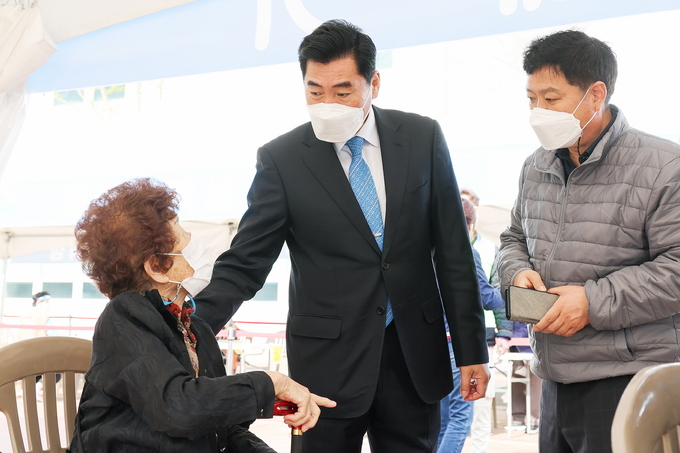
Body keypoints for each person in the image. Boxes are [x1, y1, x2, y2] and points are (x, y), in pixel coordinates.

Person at [196, 19, 489, 453]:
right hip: (326, 368)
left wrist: (472, 350)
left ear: (374, 84)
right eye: (315, 91)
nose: (327, 103)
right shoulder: (283, 159)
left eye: (343, 91)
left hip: (413, 356)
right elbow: (245, 263)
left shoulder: (422, 137)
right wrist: (186, 330)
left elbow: (454, 254)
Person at [497, 30, 680, 453]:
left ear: (596, 94)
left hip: (628, 379)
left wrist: (592, 302)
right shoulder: (535, 165)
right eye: (531, 99)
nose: (538, 112)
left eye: (551, 98)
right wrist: (517, 271)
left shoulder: (663, 166)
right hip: (554, 377)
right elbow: (513, 238)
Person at [70, 178, 334, 453]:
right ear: (157, 267)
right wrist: (271, 382)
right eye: (182, 234)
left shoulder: (193, 327)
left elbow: (221, 429)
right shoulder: (125, 317)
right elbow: (180, 407)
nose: (194, 241)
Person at [438, 198, 508, 453]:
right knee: (460, 418)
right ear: (469, 225)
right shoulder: (466, 252)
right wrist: (511, 292)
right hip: (458, 345)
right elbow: (487, 297)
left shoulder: (427, 249)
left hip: (434, 343)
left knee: (442, 420)